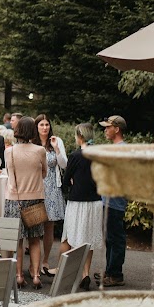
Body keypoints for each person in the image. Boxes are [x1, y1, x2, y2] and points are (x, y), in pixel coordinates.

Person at [4, 116, 48, 289]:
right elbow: (44, 173)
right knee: (35, 239)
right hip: (35, 198)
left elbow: (9, 173)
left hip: (15, 200)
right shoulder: (40, 151)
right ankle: (36, 276)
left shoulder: (9, 151)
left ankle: (19, 275)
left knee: (18, 240)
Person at [58, 123, 102, 291]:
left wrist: (70, 182)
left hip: (77, 202)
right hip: (95, 202)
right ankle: (85, 274)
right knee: (88, 239)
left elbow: (65, 181)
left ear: (80, 136)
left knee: (73, 237)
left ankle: (70, 274)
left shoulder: (75, 156)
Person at [33, 114, 68, 277]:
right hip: (35, 188)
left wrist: (56, 149)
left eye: (47, 124)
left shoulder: (56, 141)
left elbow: (64, 164)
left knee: (49, 227)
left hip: (52, 188)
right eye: (41, 125)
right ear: (36, 127)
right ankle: (34, 263)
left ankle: (45, 260)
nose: (45, 127)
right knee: (32, 226)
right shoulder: (31, 142)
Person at [99, 115, 128, 287]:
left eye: (108, 127)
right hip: (108, 200)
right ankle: (110, 271)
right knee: (110, 237)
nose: (105, 130)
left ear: (116, 129)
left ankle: (116, 275)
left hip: (115, 201)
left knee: (116, 238)